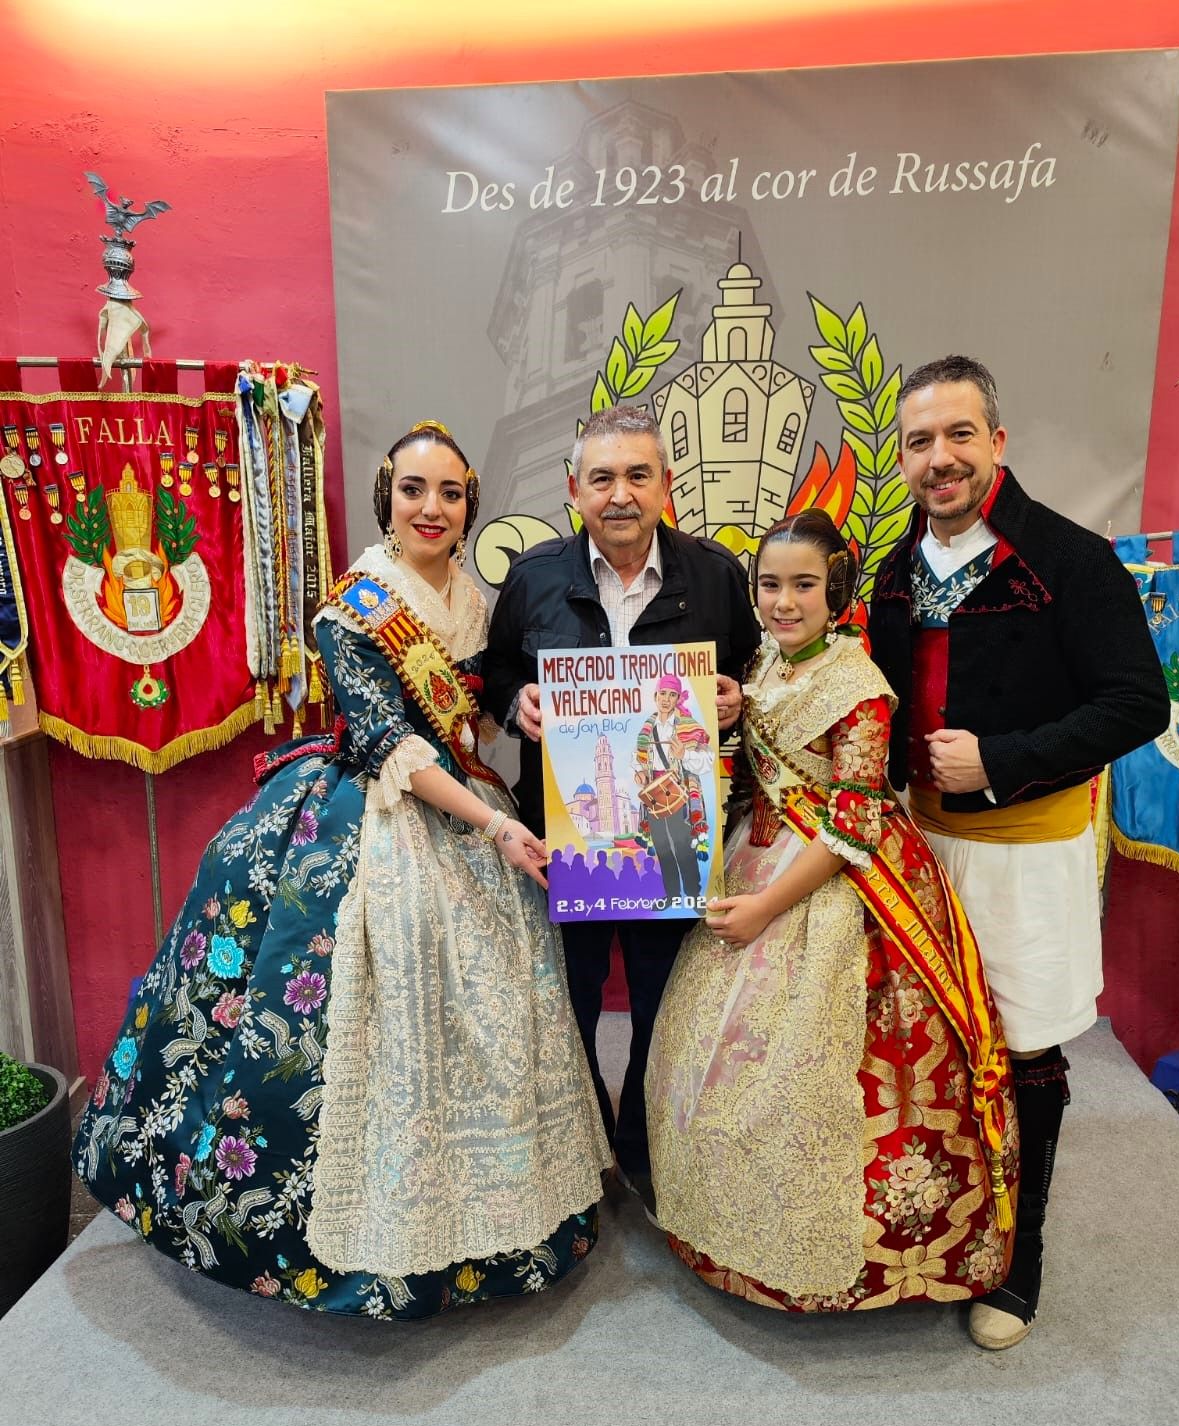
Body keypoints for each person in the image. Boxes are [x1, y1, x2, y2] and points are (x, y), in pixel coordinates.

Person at [73, 421, 610, 1319]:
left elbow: (488, 705)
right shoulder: (357, 603)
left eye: (448, 493)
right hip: (376, 816)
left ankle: (502, 1216)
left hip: (468, 805)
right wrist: (494, 825)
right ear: (385, 499)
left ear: (470, 504)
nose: (431, 509)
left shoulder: (476, 600)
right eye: (413, 490)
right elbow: (388, 739)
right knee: (349, 998)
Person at [868, 355, 1170, 1349]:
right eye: (919, 441)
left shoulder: (1071, 560)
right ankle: (945, 1233)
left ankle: (1017, 1258)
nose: (939, 458)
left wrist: (1001, 760)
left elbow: (1137, 702)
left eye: (958, 435)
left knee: (1024, 1048)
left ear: (997, 441)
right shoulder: (894, 572)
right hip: (918, 851)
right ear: (902, 458)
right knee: (933, 1054)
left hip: (1023, 851)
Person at [645, 511, 1017, 1315]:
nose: (784, 602)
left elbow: (854, 824)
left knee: (812, 1078)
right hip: (760, 851)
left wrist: (764, 909)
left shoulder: (859, 685)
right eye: (770, 585)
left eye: (803, 586)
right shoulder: (766, 661)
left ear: (837, 590)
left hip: (832, 890)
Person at [483, 405, 760, 1189]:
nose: (621, 494)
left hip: (672, 846)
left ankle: (641, 1145)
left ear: (667, 485)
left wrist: (734, 700)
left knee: (662, 1005)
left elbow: (748, 667)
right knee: (565, 1006)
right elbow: (499, 670)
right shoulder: (534, 578)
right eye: (602, 477)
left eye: (639, 475)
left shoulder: (715, 576)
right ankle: (578, 1150)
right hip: (562, 843)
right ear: (574, 489)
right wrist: (517, 704)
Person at [633, 673, 714, 908]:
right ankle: (671, 895)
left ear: (678, 698)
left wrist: (684, 755)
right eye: (663, 694)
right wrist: (639, 773)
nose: (666, 699)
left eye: (672, 695)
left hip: (679, 792)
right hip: (655, 795)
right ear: (655, 695)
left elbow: (706, 761)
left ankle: (694, 894)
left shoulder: (688, 726)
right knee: (662, 845)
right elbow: (638, 760)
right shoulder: (647, 729)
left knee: (683, 844)